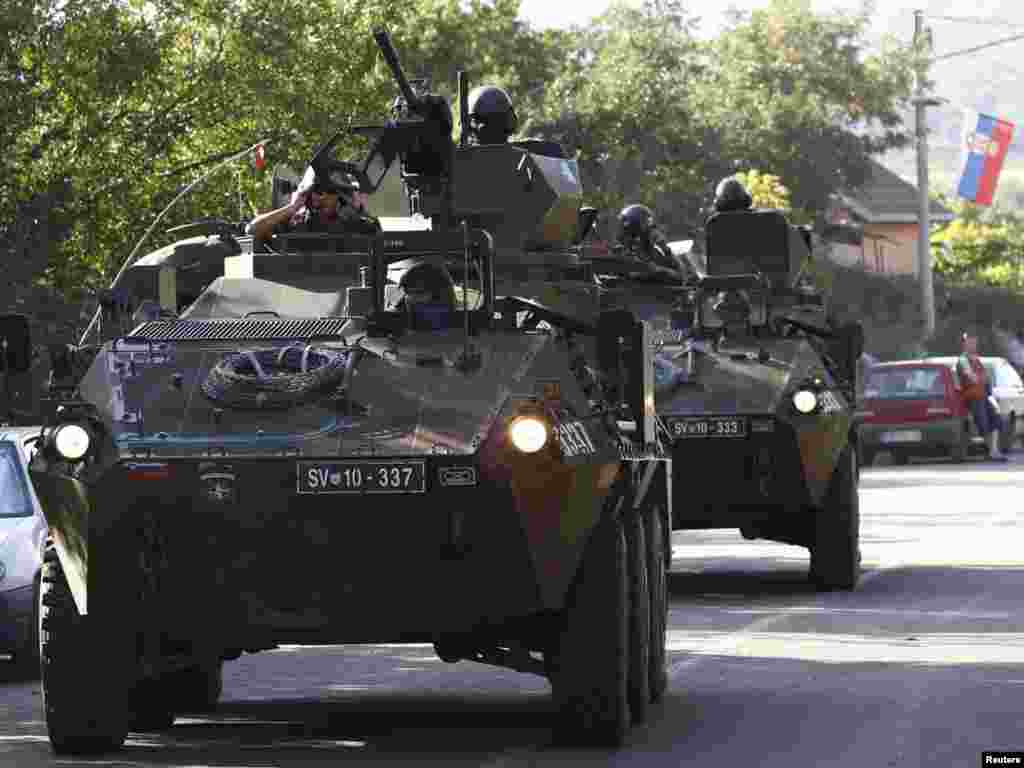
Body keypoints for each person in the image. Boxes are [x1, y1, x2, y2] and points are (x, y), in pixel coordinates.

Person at [246, 161, 381, 245]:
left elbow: (383, 245)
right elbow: (252, 230)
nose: (321, 197)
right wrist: (292, 208)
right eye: (316, 190)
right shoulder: (294, 223)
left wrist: (357, 209)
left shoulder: (357, 226)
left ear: (340, 195)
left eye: (329, 191)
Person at [957, 332, 1006, 461]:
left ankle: (994, 451)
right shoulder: (963, 360)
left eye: (974, 341)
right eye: (969, 342)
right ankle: (992, 452)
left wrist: (982, 380)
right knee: (983, 425)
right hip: (973, 398)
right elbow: (973, 378)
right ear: (964, 344)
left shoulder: (976, 359)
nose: (973, 344)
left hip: (983, 396)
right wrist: (980, 378)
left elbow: (985, 378)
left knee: (996, 421)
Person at [617, 204, 697, 282]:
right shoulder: (625, 254)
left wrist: (665, 248)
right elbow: (674, 276)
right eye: (649, 227)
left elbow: (682, 274)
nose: (654, 232)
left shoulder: (653, 252)